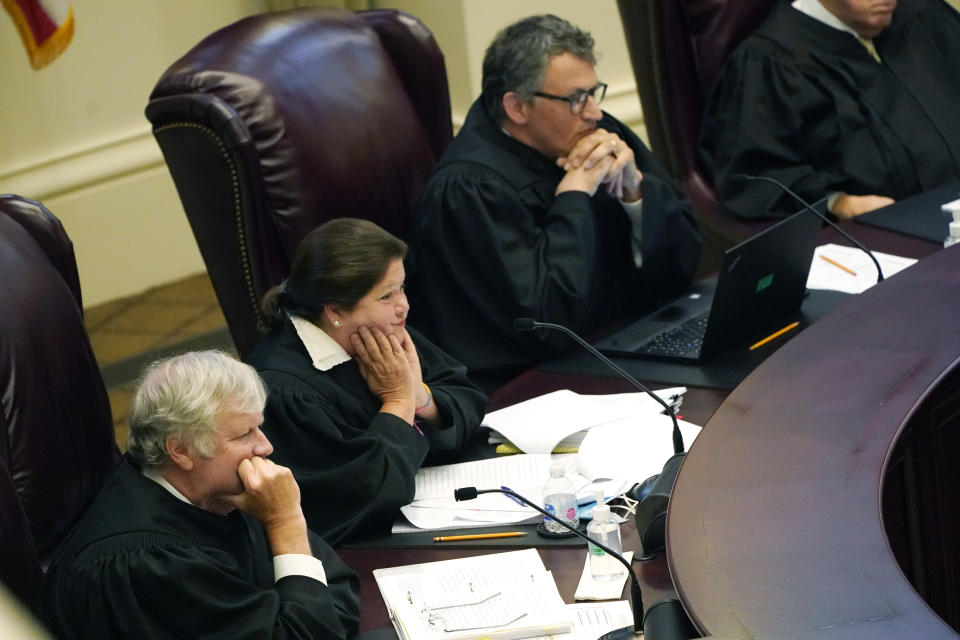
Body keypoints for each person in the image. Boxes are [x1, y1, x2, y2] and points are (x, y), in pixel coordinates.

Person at [405, 14, 702, 391]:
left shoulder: (599, 132)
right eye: (576, 99)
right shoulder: (469, 191)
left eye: (594, 92)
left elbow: (683, 265)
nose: (594, 112)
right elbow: (550, 324)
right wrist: (574, 197)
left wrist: (636, 195)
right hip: (530, 388)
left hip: (621, 347)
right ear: (517, 108)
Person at [41, 351, 360, 639]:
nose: (265, 447)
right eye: (244, 434)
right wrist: (285, 522)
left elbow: (338, 586)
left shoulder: (214, 489)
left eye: (258, 427)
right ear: (180, 449)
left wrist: (312, 615)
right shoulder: (151, 564)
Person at [246, 218, 485, 545]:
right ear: (335, 309)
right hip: (360, 549)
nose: (404, 306)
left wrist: (422, 397)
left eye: (402, 287)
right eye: (387, 296)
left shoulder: (379, 333)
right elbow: (362, 495)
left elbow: (468, 397)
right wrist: (398, 403)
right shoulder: (284, 390)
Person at [700, 0, 960, 220]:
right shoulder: (771, 63)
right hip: (889, 245)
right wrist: (837, 203)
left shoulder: (923, 16)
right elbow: (757, 179)